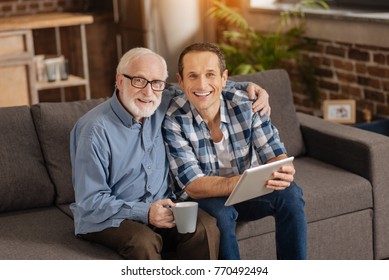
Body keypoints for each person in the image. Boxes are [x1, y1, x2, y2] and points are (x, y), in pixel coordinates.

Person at [69, 47, 271, 260]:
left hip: (164, 209)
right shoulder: (93, 130)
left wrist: (248, 88)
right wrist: (145, 212)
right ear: (120, 81)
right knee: (143, 242)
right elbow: (90, 201)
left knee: (205, 227)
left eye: (156, 83)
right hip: (110, 217)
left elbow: (201, 88)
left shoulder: (163, 100)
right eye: (138, 80)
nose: (148, 92)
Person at [162, 42, 307, 260]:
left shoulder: (247, 104)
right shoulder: (173, 119)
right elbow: (194, 185)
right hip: (204, 196)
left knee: (291, 194)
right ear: (181, 81)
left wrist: (284, 168)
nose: (202, 84)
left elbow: (274, 151)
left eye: (210, 74)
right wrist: (241, 182)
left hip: (243, 190)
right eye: (193, 76)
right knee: (220, 214)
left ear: (224, 78)